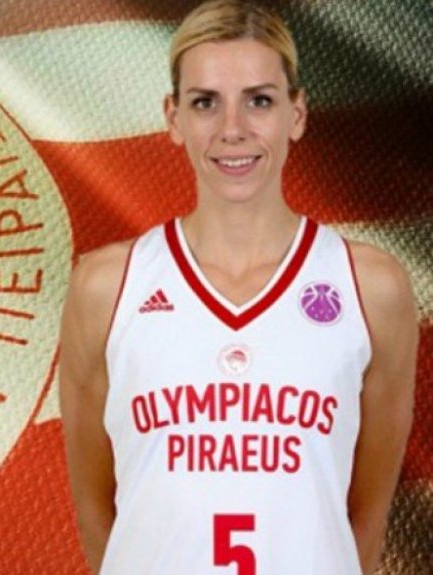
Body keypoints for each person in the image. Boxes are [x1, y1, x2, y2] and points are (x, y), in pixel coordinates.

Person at [57, 1, 418, 573]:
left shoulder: (369, 288)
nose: (232, 129)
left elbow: (365, 520)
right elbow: (97, 513)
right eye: (206, 102)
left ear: (296, 114)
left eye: (259, 101)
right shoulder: (108, 286)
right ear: (173, 117)